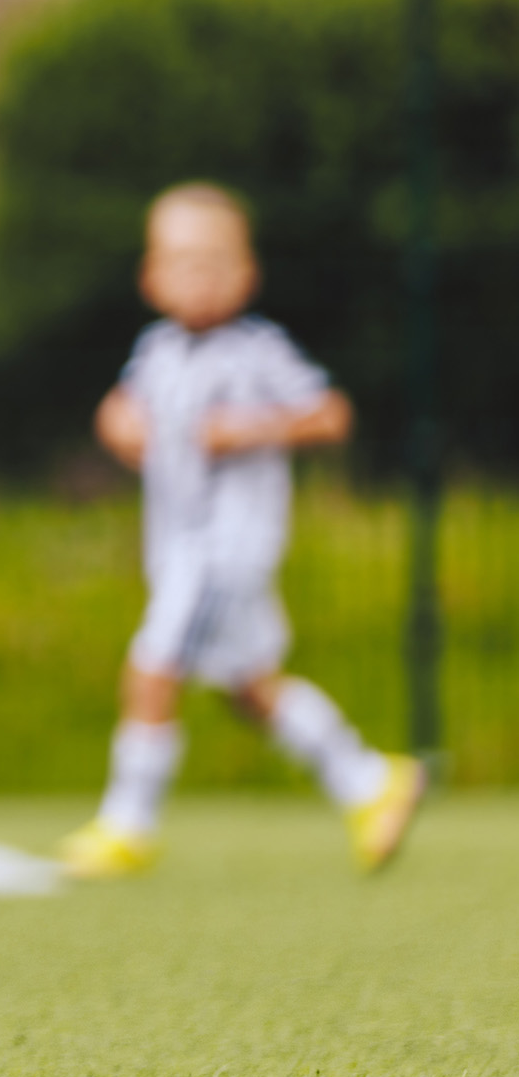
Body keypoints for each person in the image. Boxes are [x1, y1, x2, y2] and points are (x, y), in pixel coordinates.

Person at [58, 184, 425, 878]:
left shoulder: (257, 351)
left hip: (223, 548)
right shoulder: (157, 350)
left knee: (151, 665)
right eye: (181, 260)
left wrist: (246, 429)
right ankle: (368, 781)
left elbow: (328, 414)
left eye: (213, 261)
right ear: (151, 276)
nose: (198, 277)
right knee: (247, 686)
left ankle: (127, 821)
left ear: (245, 273)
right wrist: (117, 425)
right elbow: (125, 412)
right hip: (175, 547)